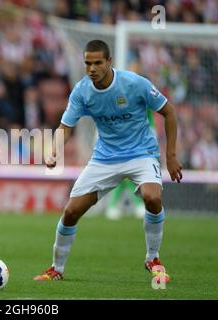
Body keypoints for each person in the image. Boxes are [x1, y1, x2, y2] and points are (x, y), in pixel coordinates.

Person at [34, 40, 182, 283]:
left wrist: (171, 156)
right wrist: (54, 151)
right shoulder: (82, 91)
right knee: (71, 211)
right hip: (105, 158)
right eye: (87, 63)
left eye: (97, 63)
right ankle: (56, 269)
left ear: (109, 61)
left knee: (152, 197)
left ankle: (153, 258)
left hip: (141, 153)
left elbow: (169, 112)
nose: (92, 68)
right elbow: (65, 126)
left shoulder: (134, 83)